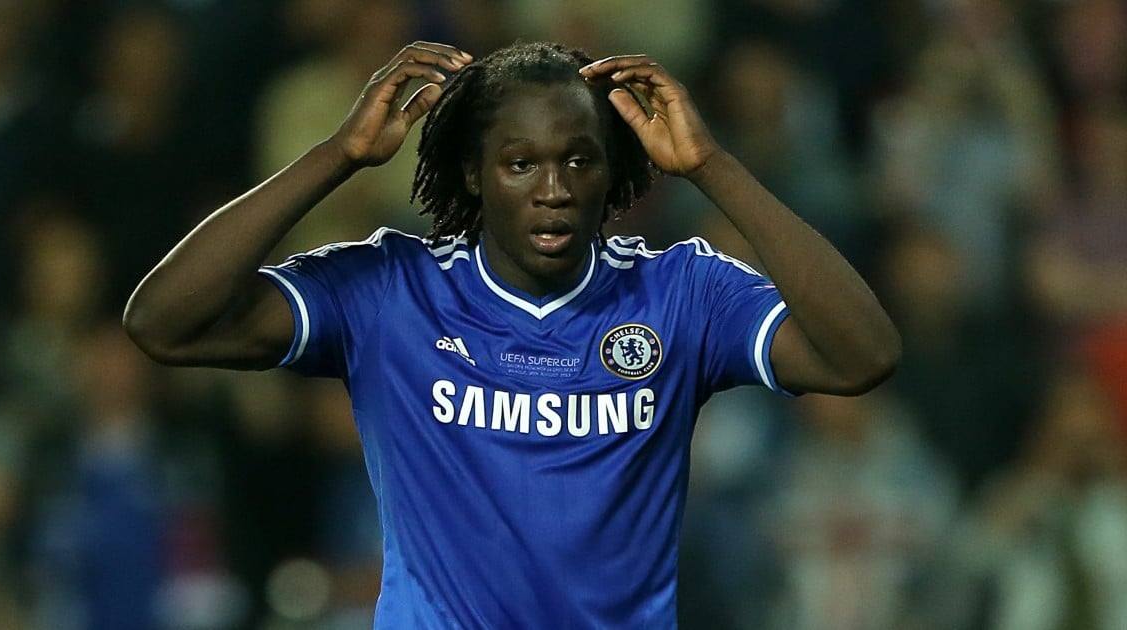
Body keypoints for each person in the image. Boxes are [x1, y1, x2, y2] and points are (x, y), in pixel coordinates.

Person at [123, 40, 900, 628]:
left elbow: (863, 355)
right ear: (474, 173)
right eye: (520, 163)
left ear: (610, 170)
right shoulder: (393, 292)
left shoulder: (681, 292)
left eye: (578, 160)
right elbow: (164, 323)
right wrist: (338, 156)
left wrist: (710, 166)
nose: (554, 190)